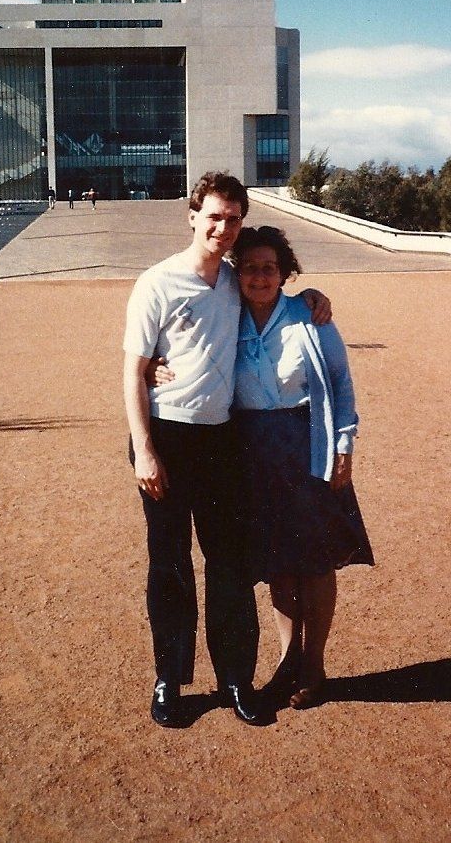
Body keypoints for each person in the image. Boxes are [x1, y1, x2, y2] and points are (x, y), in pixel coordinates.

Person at [123, 172, 332, 728]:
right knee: (169, 564)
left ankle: (236, 679)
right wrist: (144, 449)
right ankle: (170, 679)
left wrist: (312, 297)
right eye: (213, 215)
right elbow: (129, 370)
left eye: (233, 218)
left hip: (221, 440)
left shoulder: (235, 282)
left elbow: (276, 297)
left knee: (230, 565)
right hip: (166, 437)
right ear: (192, 215)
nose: (223, 226)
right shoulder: (157, 282)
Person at [152, 225, 374, 711]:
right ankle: (285, 661)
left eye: (269, 268)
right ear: (238, 273)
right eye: (250, 267)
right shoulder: (226, 315)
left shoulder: (309, 315)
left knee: (314, 562)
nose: (259, 276)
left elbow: (340, 381)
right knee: (277, 563)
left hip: (306, 445)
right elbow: (182, 347)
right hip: (248, 452)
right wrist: (150, 366)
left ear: (285, 272)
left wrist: (343, 444)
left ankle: (313, 665)